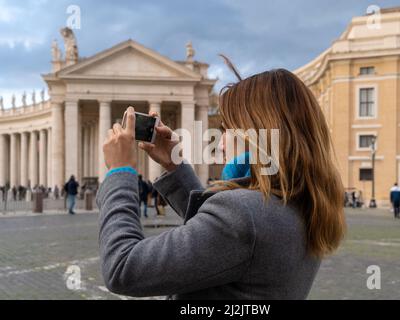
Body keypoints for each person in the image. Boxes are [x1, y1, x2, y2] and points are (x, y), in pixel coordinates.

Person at [97, 66, 346, 299]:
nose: (221, 141)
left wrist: (121, 171)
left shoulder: (244, 215)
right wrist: (175, 165)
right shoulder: (299, 204)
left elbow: (123, 267)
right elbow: (220, 241)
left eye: (226, 128)